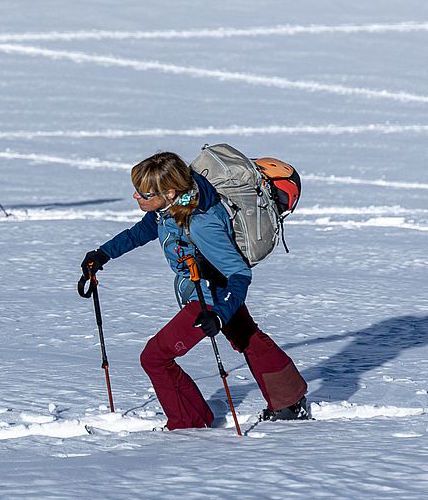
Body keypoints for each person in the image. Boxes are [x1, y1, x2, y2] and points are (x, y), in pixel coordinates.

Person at [80, 151, 309, 429]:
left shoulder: (202, 223)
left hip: (209, 299)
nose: (136, 197)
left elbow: (239, 273)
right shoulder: (171, 208)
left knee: (155, 357)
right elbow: (142, 231)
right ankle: (289, 402)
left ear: (170, 192)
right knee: (247, 336)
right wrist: (103, 254)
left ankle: (189, 423)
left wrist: (220, 314)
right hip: (209, 291)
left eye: (144, 194)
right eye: (137, 191)